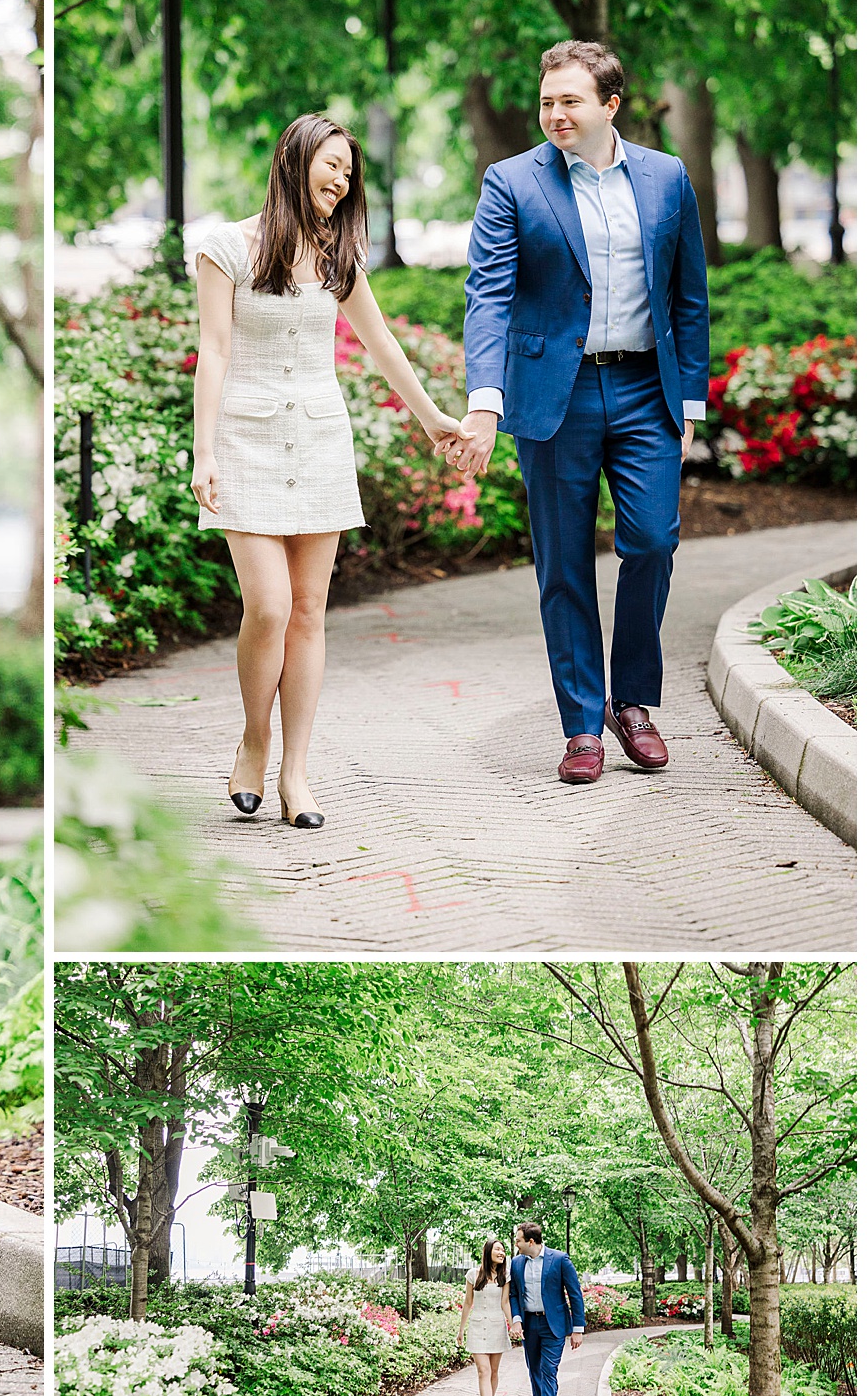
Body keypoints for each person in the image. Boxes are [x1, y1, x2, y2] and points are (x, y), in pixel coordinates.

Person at [189, 112, 472, 827]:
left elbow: (379, 343)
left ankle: (297, 773)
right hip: (245, 444)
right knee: (271, 606)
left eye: (350, 173)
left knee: (310, 611)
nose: (342, 181)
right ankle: (253, 742)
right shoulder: (226, 248)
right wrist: (204, 452)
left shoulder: (338, 259)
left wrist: (434, 416)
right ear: (296, 159)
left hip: (319, 443)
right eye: (332, 165)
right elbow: (214, 352)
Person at [450, 41, 710, 785]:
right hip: (553, 400)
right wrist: (485, 403)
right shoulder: (511, 182)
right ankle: (580, 727)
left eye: (570, 100)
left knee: (653, 540)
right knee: (563, 566)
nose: (555, 114)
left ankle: (632, 700)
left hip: (642, 390)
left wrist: (688, 397)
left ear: (610, 105)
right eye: (547, 101)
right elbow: (488, 295)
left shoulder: (666, 178)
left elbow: (688, 296)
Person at [509, 1219, 587, 1396]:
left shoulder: (560, 1260)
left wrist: (577, 1329)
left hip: (553, 1325)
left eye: (518, 1240)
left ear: (530, 1241)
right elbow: (514, 1294)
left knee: (548, 1369)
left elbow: (575, 1293)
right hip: (529, 1325)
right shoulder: (516, 1263)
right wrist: (516, 1320)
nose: (516, 1244)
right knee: (534, 1370)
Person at [459, 1236, 514, 1396]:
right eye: (498, 1249)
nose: (501, 1253)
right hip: (476, 1327)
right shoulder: (473, 1275)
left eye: (503, 1251)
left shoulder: (505, 1276)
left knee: (493, 1372)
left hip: (497, 1326)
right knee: (483, 1370)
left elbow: (505, 1303)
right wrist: (461, 1329)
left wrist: (513, 1324)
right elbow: (467, 1303)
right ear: (488, 1251)